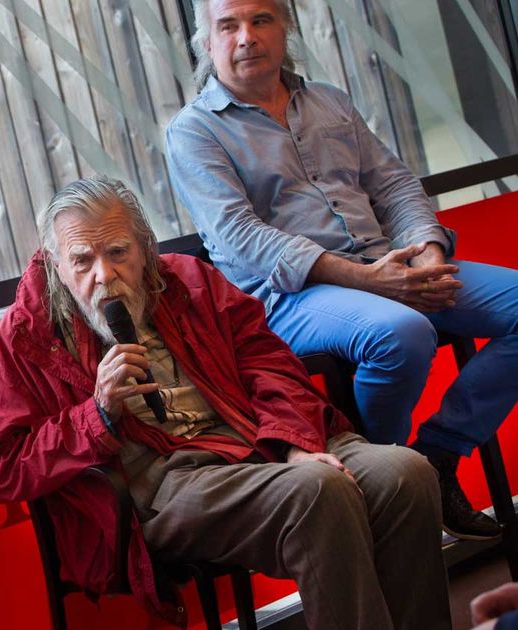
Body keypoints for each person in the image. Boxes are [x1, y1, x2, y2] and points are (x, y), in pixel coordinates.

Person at [0, 176, 450, 629]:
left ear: (146, 248)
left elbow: (270, 365)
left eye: (117, 252)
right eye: (83, 261)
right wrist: (97, 415)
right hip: (167, 481)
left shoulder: (187, 280)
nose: (104, 276)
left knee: (404, 473)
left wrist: (294, 445)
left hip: (258, 438)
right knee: (317, 491)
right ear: (56, 266)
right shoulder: (30, 333)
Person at [164, 0, 518, 540]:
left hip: (386, 265)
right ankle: (387, 482)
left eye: (261, 20)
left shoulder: (329, 100)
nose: (246, 37)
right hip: (288, 297)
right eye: (228, 26)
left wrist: (426, 255)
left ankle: (436, 457)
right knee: (401, 332)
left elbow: (394, 185)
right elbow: (239, 238)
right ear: (206, 45)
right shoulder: (194, 132)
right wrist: (372, 280)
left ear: (285, 29)